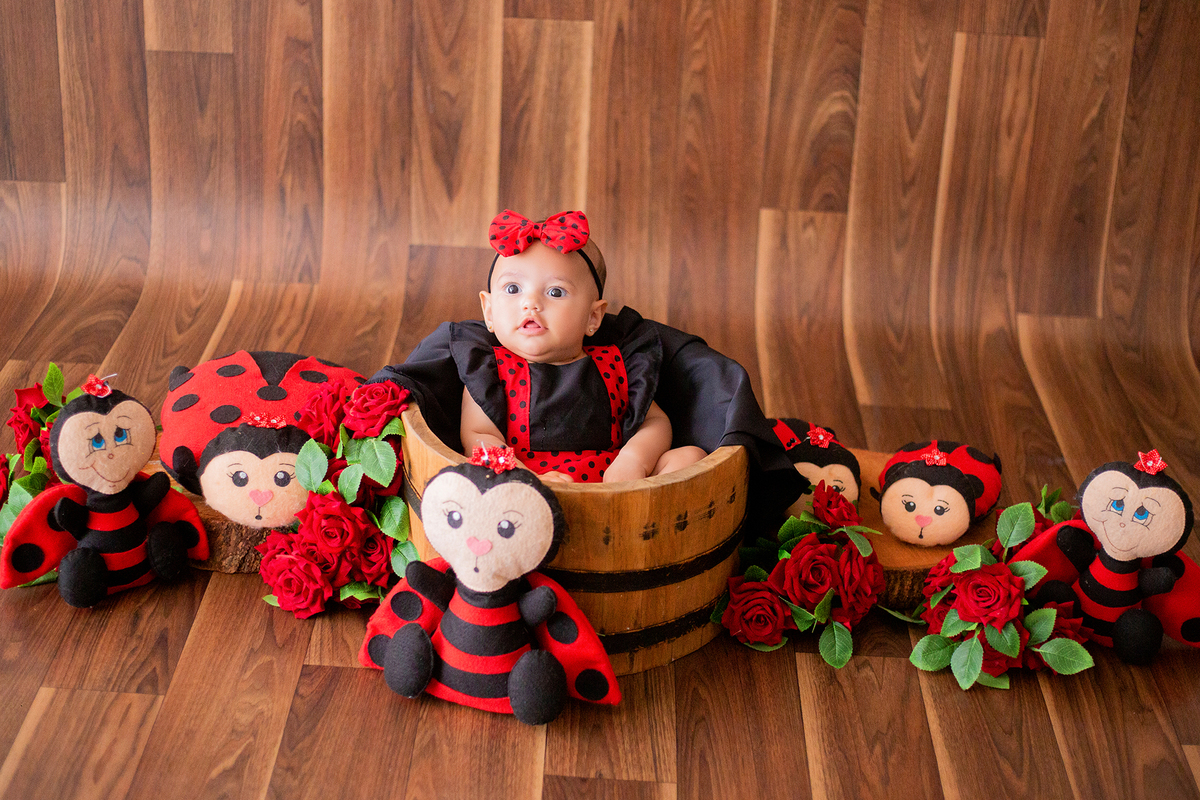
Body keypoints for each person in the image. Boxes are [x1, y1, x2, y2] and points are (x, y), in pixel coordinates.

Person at [460, 210, 705, 483]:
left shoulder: (616, 364)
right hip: (527, 491)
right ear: (489, 311)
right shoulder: (491, 370)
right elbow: (479, 437)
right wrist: (526, 480)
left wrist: (633, 461)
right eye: (513, 289)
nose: (530, 303)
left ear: (593, 317)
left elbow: (655, 423)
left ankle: (640, 521)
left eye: (555, 292)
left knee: (690, 457)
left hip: (615, 486)